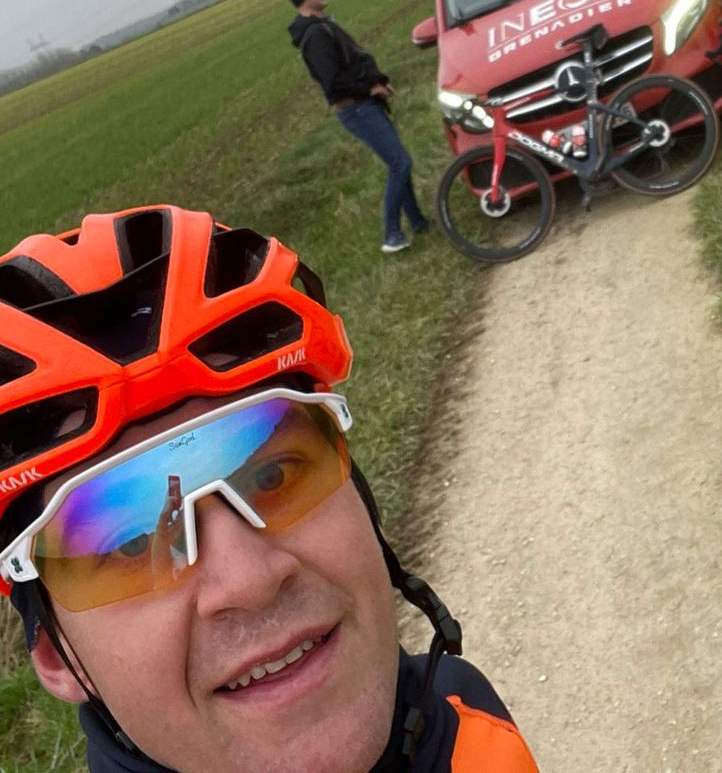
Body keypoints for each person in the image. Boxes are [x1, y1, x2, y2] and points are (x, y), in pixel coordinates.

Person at [0, 205, 539, 773]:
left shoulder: (467, 720)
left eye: (273, 476)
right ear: (55, 655)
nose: (251, 582)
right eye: (132, 542)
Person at [287, 0, 430, 253]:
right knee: (400, 162)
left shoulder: (322, 26)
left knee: (397, 161)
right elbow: (333, 82)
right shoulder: (315, 35)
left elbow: (353, 62)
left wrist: (377, 80)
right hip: (356, 108)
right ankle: (391, 235)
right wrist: (368, 89)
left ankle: (418, 223)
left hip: (363, 103)